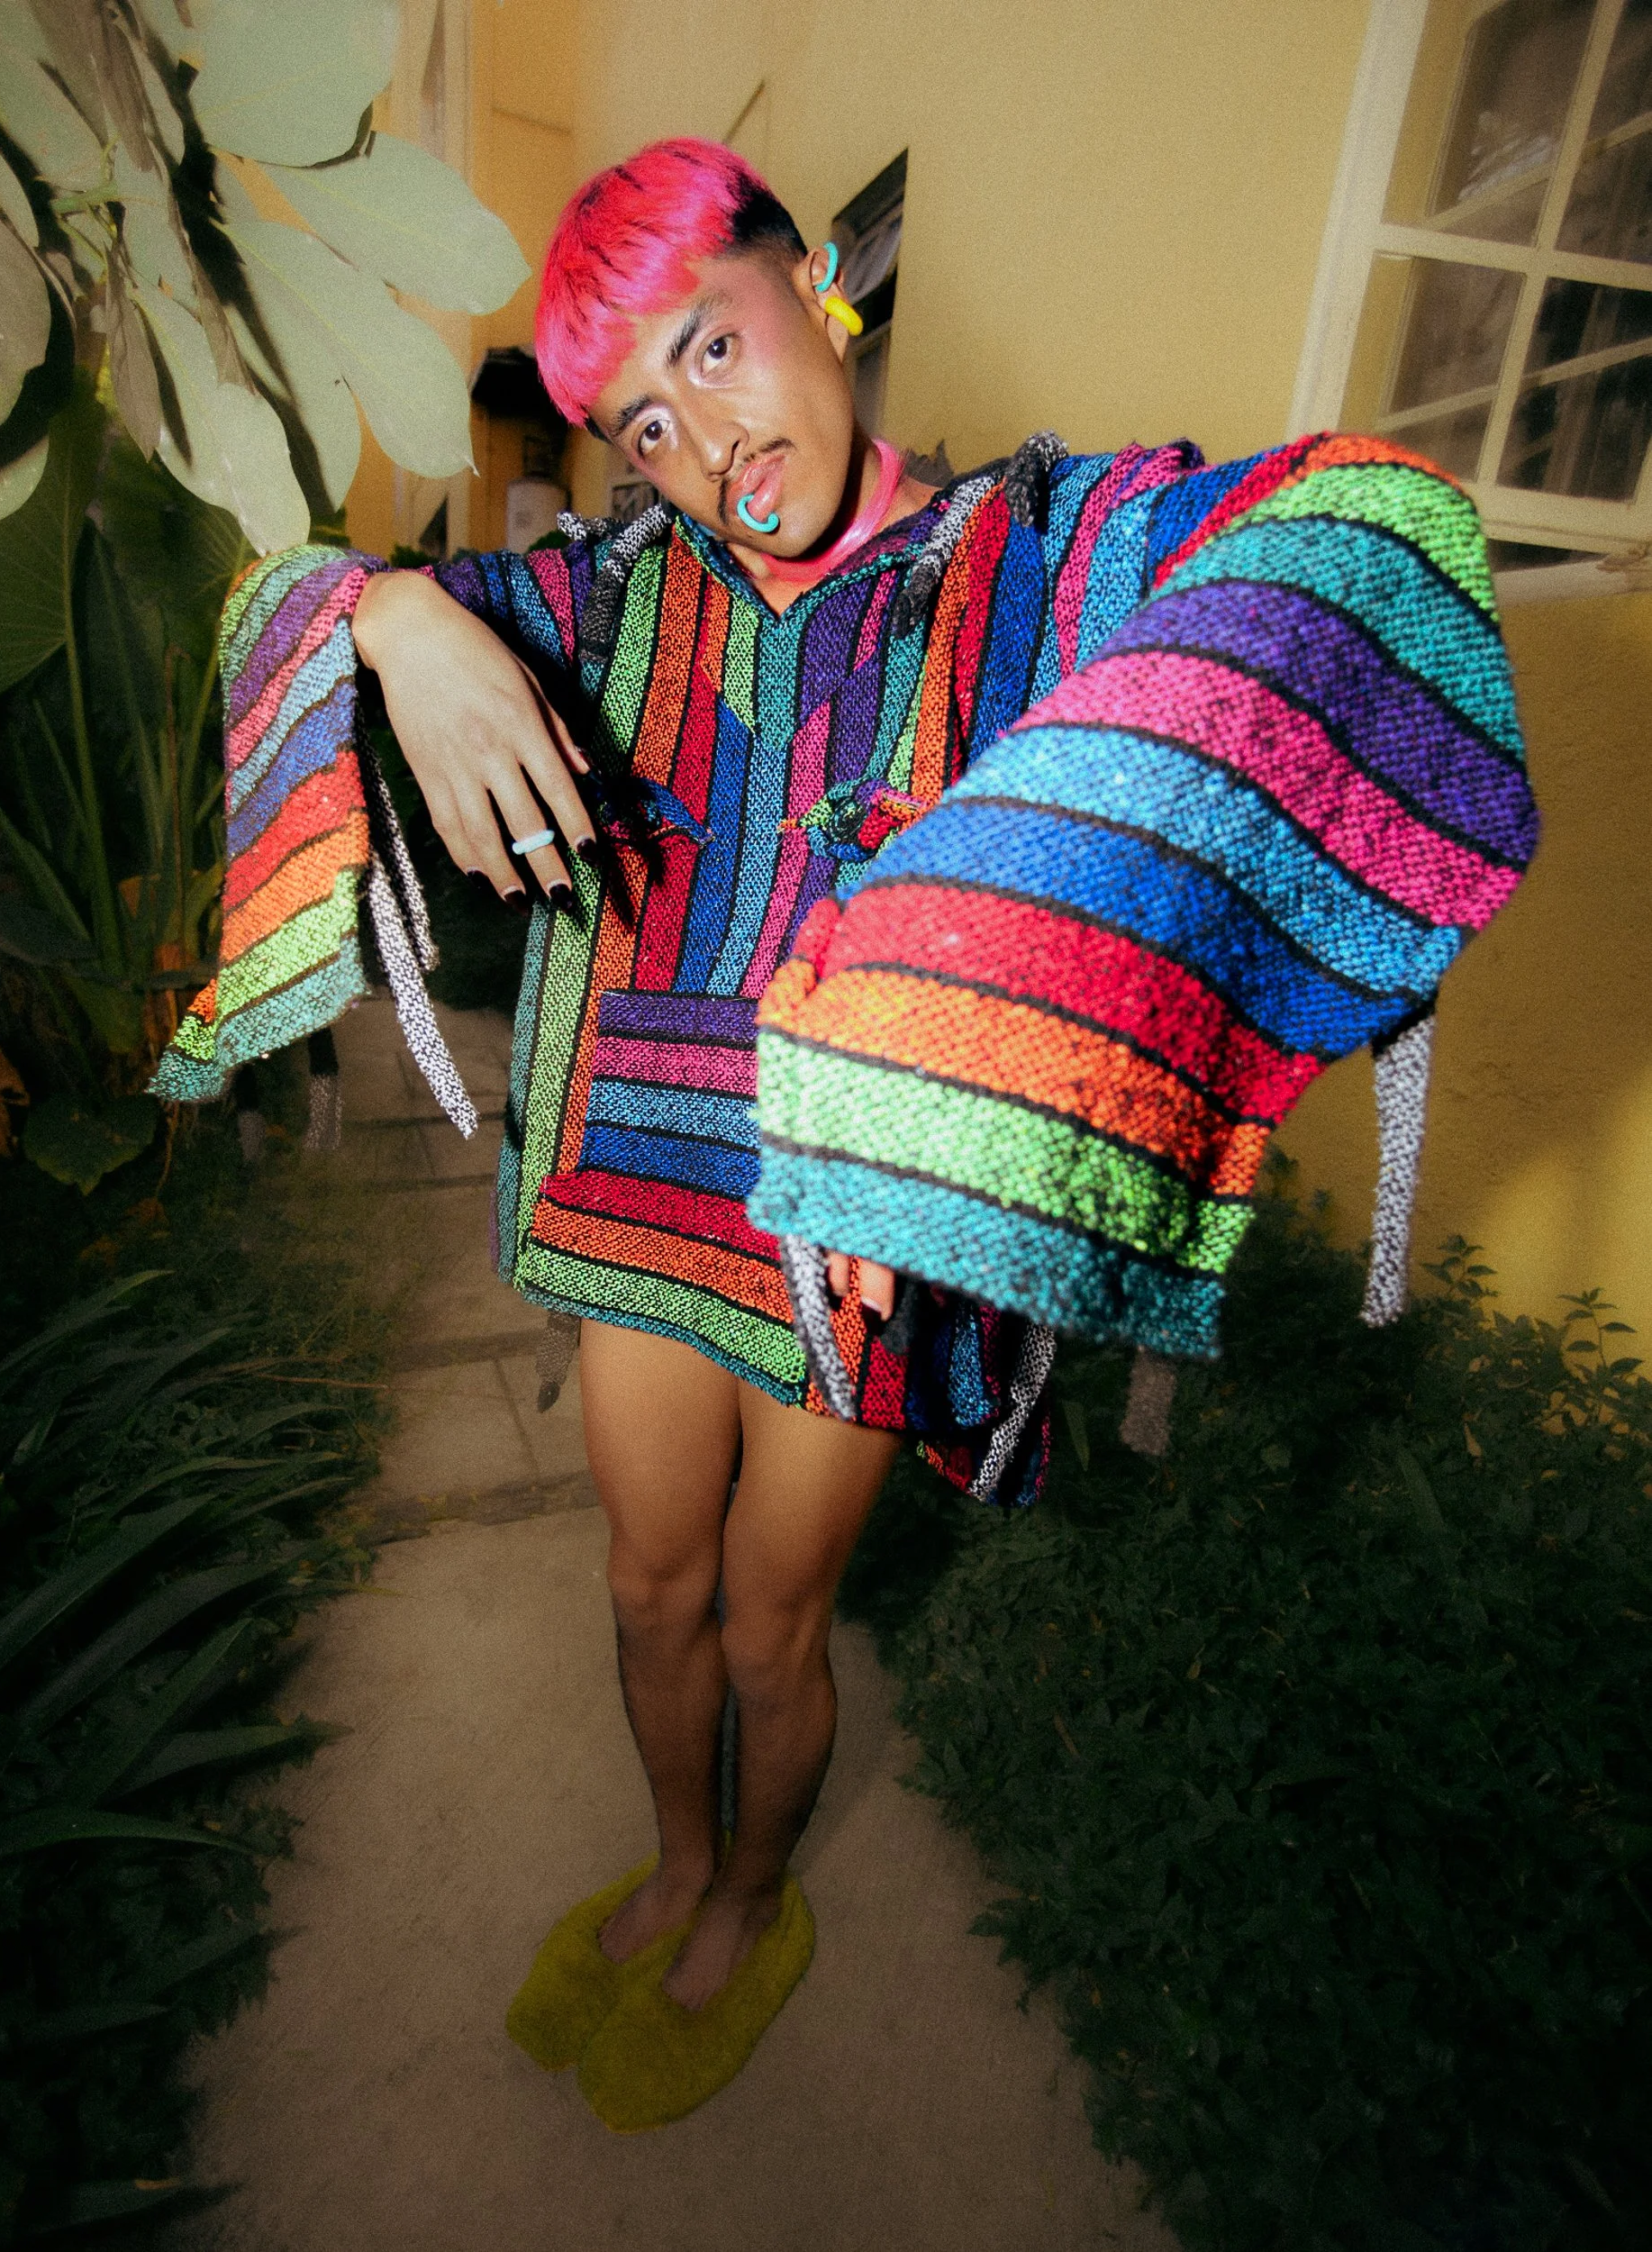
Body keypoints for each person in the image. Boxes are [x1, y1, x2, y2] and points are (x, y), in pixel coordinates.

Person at [154, 135, 1536, 2129]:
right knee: (643, 1590)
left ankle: (748, 1888)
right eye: (643, 416)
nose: (698, 438)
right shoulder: (600, 594)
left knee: (766, 1611)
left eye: (714, 346)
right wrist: (393, 617)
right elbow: (264, 612)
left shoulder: (1045, 549)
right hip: (636, 1178)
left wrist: (969, 990)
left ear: (817, 282)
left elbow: (1369, 535)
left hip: (851, 1217)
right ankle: (672, 1854)